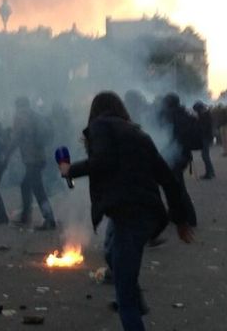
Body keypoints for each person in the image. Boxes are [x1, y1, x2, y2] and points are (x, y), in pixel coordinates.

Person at [59, 91, 194, 331]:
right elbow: (167, 178)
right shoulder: (137, 133)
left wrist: (70, 171)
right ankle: (135, 297)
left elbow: (103, 161)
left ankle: (132, 301)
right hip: (144, 213)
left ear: (95, 110)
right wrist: (180, 220)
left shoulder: (101, 125)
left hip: (130, 213)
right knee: (111, 251)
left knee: (124, 300)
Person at [7, 97, 56, 230]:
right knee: (25, 185)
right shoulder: (34, 115)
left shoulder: (20, 117)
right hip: (39, 157)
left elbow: (16, 137)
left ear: (18, 105)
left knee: (38, 190)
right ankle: (26, 217)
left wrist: (6, 154)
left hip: (31, 159)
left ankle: (49, 219)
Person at [159, 93, 198, 227]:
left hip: (175, 155)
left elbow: (168, 136)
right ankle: (175, 215)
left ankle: (190, 218)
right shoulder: (184, 114)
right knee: (176, 185)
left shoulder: (170, 115)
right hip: (184, 155)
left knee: (178, 187)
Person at [193, 101, 215, 179]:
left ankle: (210, 173)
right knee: (205, 156)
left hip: (206, 137)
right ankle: (211, 172)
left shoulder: (205, 116)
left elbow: (203, 128)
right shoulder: (205, 114)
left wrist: (197, 122)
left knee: (205, 156)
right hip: (206, 137)